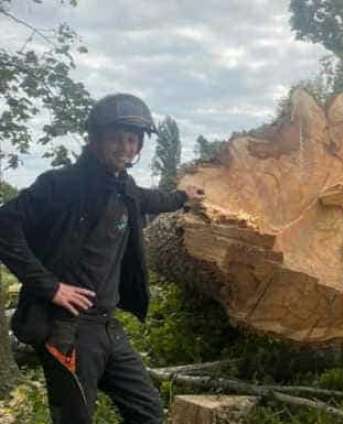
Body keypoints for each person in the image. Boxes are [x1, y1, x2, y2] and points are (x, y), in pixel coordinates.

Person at [0, 93, 204, 423]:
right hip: (64, 328)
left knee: (149, 413)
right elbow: (4, 224)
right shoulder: (61, 185)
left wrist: (183, 197)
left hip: (107, 326)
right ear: (94, 138)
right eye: (116, 138)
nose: (126, 147)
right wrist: (50, 287)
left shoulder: (124, 186)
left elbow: (153, 199)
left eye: (133, 139)